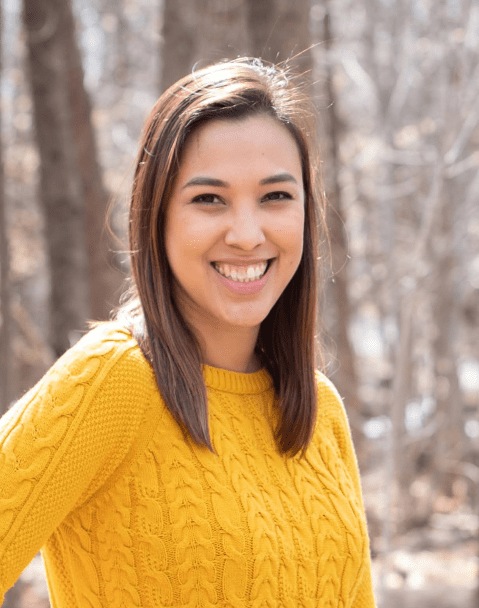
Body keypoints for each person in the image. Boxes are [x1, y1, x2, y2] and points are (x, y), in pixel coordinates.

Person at [0, 58, 376, 607]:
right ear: (157, 217)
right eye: (208, 199)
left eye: (275, 196)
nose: (247, 234)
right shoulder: (112, 380)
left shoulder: (321, 412)